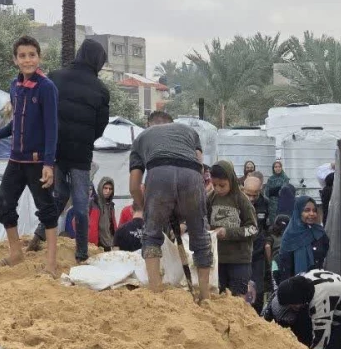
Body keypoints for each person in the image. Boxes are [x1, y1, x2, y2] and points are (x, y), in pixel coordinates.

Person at [0, 35, 60, 276]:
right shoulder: (15, 86)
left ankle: (51, 263)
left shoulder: (47, 88)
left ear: (39, 57)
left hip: (36, 160)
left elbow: (52, 128)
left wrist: (49, 163)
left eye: (32, 55)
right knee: (3, 204)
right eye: (22, 56)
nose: (27, 60)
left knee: (47, 210)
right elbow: (16, 124)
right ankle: (16, 253)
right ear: (15, 60)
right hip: (16, 159)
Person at [25, 40, 110, 263]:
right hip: (81, 154)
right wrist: (85, 138)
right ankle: (81, 253)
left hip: (55, 149)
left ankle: (37, 236)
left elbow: (41, 108)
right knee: (81, 204)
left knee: (60, 195)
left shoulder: (55, 76)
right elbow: (101, 125)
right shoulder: (101, 90)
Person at [129, 110, 212, 302]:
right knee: (200, 235)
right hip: (191, 175)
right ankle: (205, 296)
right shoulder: (188, 132)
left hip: (159, 173)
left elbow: (134, 187)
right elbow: (199, 165)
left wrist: (148, 210)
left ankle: (155, 292)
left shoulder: (142, 137)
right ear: (171, 123)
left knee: (151, 236)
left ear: (149, 125)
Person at [264, 270, 341, 349]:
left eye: (291, 305)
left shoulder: (319, 301)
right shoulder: (304, 280)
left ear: (298, 302)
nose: (291, 308)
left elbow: (320, 341)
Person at [208, 161, 258, 297]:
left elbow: (253, 229)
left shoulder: (242, 200)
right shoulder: (210, 198)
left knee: (237, 302)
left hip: (239, 261)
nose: (218, 189)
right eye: (214, 185)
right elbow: (201, 218)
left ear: (231, 179)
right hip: (217, 260)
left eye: (222, 185)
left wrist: (227, 232)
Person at [276, 196, 329, 283]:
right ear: (298, 212)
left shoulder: (320, 232)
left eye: (314, 210)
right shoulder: (290, 235)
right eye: (307, 210)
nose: (312, 213)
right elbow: (285, 266)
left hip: (319, 283)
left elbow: (325, 254)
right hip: (295, 285)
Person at [242, 176, 271, 313]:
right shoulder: (237, 203)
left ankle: (257, 316)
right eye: (249, 195)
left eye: (255, 195)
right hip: (240, 253)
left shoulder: (265, 203)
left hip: (258, 253)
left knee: (258, 291)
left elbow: (268, 227)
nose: (252, 198)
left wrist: (266, 241)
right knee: (243, 289)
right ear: (243, 189)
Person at [91, 177, 118, 251]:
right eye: (105, 188)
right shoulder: (93, 203)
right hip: (94, 245)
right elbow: (76, 221)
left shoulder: (111, 205)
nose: (108, 191)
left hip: (108, 244)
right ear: (100, 188)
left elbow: (113, 226)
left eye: (110, 189)